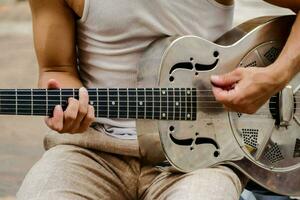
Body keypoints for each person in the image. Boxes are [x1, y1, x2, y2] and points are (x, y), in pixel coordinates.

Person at [17, 0, 300, 199]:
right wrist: (68, 109)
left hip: (201, 160)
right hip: (91, 151)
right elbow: (57, 70)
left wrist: (276, 75)